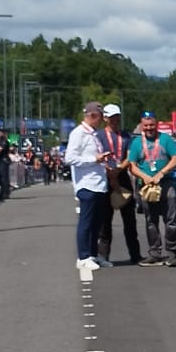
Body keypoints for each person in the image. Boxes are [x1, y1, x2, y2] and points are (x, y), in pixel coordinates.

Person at [127, 111, 176, 267]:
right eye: (146, 126)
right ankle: (154, 253)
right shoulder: (137, 142)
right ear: (141, 126)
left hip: (165, 184)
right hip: (146, 186)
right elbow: (132, 165)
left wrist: (161, 173)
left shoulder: (165, 139)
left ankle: (171, 252)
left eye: (152, 125)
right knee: (151, 220)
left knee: (170, 220)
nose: (149, 128)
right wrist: (144, 177)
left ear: (156, 124)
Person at [65, 100, 111, 275]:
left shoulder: (94, 134)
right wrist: (94, 160)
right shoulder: (79, 133)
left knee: (96, 223)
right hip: (86, 184)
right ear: (92, 115)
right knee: (86, 222)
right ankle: (83, 257)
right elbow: (70, 158)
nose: (101, 120)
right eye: (100, 117)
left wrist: (103, 161)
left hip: (99, 184)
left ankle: (92, 254)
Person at [97, 104, 142, 264]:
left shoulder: (126, 136)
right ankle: (103, 256)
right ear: (105, 118)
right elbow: (96, 154)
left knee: (129, 219)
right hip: (105, 178)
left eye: (117, 117)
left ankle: (135, 255)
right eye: (111, 117)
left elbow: (130, 156)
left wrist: (118, 169)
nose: (115, 120)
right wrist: (108, 170)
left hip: (122, 177)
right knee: (105, 220)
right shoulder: (99, 135)